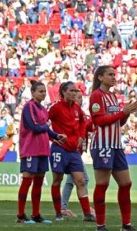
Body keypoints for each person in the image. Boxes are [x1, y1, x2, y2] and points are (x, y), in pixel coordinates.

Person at [89, 65, 137, 231]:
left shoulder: (112, 96)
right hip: (103, 144)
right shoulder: (97, 95)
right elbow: (99, 121)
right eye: (110, 74)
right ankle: (100, 225)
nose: (114, 77)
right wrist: (122, 112)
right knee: (102, 183)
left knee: (126, 183)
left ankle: (126, 225)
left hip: (116, 145)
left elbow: (118, 122)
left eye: (114, 74)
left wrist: (126, 113)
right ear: (100, 77)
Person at [17, 80, 67, 224]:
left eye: (44, 91)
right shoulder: (29, 106)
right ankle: (20, 215)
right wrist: (46, 127)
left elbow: (45, 129)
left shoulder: (43, 109)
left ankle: (36, 214)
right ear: (32, 93)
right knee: (27, 180)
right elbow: (34, 127)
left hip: (43, 150)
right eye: (40, 91)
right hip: (30, 149)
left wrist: (56, 135)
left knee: (38, 182)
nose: (43, 93)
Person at [48, 81, 95, 221]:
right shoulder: (55, 108)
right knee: (57, 180)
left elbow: (82, 122)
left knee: (80, 181)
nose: (75, 93)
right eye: (72, 91)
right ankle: (58, 213)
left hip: (73, 151)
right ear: (63, 92)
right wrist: (53, 137)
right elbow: (43, 122)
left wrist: (81, 136)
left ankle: (87, 214)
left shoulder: (77, 109)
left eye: (76, 91)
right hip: (59, 149)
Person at [60, 87, 93, 218]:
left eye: (80, 98)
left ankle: (64, 207)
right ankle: (84, 209)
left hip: (76, 152)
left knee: (71, 181)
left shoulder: (80, 113)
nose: (79, 100)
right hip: (70, 151)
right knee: (82, 179)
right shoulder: (71, 113)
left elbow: (88, 127)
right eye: (78, 97)